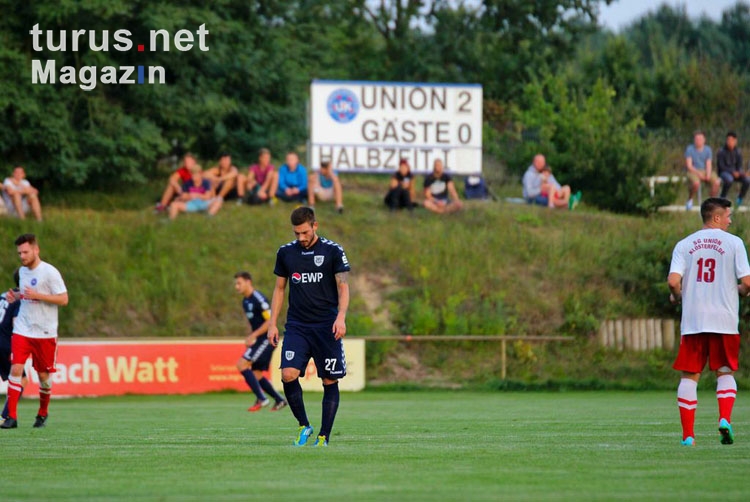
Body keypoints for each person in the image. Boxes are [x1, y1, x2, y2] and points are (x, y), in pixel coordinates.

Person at [667, 197, 750, 446]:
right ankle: (724, 419)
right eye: (727, 215)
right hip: (724, 320)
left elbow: (673, 281)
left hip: (694, 321)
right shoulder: (734, 243)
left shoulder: (684, 244)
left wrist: (677, 296)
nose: (730, 220)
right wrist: (741, 291)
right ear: (716, 217)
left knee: (689, 377)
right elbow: (747, 283)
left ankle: (688, 437)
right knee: (725, 372)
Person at [268, 207, 350, 447]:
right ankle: (304, 425)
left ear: (315, 225)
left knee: (329, 381)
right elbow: (280, 289)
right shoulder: (285, 253)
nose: (301, 238)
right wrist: (272, 323)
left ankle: (324, 436)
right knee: (287, 374)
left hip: (327, 325)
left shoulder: (332, 251)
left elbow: (343, 286)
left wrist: (341, 316)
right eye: (296, 233)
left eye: (304, 232)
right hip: (297, 326)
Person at [1, 234, 68, 429]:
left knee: (43, 377)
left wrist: (37, 295)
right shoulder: (22, 272)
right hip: (23, 329)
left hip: (45, 332)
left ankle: (42, 413)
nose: (22, 256)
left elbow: (63, 299)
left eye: (25, 252)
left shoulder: (50, 272)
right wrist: (18, 297)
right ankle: (11, 418)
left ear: (36, 250)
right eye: (19, 253)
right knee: (16, 368)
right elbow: (27, 295)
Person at [233, 271, 288, 412]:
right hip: (260, 338)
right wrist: (252, 335)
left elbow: (270, 320)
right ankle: (279, 400)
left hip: (268, 338)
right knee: (256, 373)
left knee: (242, 364)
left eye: (239, 283)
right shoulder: (245, 301)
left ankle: (262, 398)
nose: (236, 286)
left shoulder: (258, 298)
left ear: (248, 282)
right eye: (236, 284)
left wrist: (254, 335)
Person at [0, 269, 24, 422]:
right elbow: (16, 324)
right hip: (6, 342)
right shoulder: (20, 300)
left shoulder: (4, 295)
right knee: (20, 380)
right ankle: (5, 416)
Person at [685, 130, 720, 210]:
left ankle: (712, 202)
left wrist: (708, 174)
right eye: (696, 139)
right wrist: (698, 174)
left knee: (716, 182)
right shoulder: (689, 149)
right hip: (693, 170)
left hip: (704, 170)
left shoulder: (708, 149)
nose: (698, 141)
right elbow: (689, 166)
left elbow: (708, 164)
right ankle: (690, 199)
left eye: (700, 139)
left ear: (704, 140)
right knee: (696, 183)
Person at [717, 131, 749, 206]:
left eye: (731, 140)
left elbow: (739, 166)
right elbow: (721, 167)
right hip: (724, 173)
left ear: (735, 141)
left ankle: (740, 199)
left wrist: (741, 173)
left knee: (747, 180)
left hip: (736, 173)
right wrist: (732, 172)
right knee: (729, 179)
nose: (729, 142)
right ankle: (722, 198)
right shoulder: (721, 152)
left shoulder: (738, 152)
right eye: (728, 140)